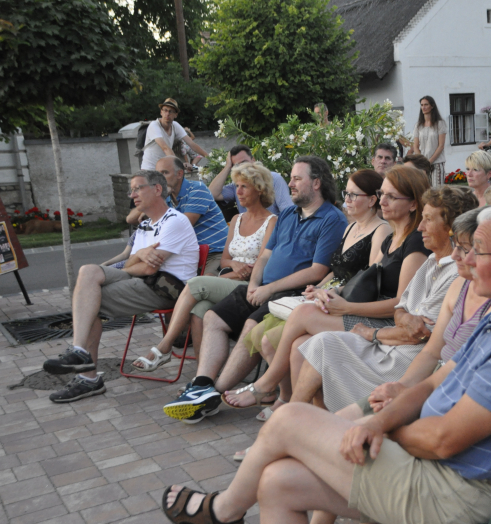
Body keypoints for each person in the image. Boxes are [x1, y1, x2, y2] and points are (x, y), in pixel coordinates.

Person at [160, 204, 491, 524]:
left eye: (477, 250)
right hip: (436, 469)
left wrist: (378, 428)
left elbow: (443, 440)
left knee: (288, 422)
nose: (462, 258)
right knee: (276, 482)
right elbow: (435, 383)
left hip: (455, 487)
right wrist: (379, 420)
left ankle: (224, 511)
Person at [294, 208, 491, 524]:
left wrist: (384, 425)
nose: (456, 255)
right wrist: (399, 389)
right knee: (324, 428)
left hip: (437, 403)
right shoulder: (462, 285)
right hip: (424, 376)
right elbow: (413, 321)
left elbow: (434, 354)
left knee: (327, 438)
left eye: (467, 248)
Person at [226, 183, 476, 416]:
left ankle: (288, 414)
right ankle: (300, 419)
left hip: (402, 353)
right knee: (310, 342)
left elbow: (416, 333)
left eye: (428, 219)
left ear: (453, 226)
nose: (421, 226)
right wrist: (329, 290)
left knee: (310, 332)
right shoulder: (429, 259)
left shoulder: (441, 263)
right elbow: (401, 308)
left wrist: (369, 330)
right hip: (390, 334)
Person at [162, 156, 347, 423]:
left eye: (297, 178)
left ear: (316, 183)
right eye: (291, 178)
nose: (290, 184)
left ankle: (213, 392)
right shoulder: (288, 215)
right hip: (262, 288)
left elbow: (317, 271)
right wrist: (253, 285)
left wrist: (268, 288)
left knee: (250, 325)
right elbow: (264, 256)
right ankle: (202, 384)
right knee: (213, 316)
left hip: (289, 294)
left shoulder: (331, 218)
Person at [225, 169, 401, 415]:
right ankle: (289, 402)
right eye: (346, 194)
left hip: (350, 303)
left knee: (291, 340)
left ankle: (278, 395)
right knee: (270, 337)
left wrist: (330, 292)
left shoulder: (381, 230)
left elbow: (368, 280)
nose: (347, 200)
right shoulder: (351, 228)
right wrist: (318, 288)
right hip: (330, 297)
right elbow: (337, 269)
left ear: (372, 200)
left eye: (353, 195)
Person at [44, 171, 199, 402]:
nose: (132, 195)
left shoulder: (175, 221)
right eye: (131, 190)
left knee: (89, 303)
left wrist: (139, 260)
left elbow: (149, 269)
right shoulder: (146, 225)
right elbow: (132, 263)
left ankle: (88, 377)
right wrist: (140, 254)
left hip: (165, 289)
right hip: (141, 281)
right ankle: (79, 351)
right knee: (88, 271)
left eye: (138, 188)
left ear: (158, 189)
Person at [130, 161, 278, 372]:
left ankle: (164, 347)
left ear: (259, 189)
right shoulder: (236, 219)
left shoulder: (272, 221)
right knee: (199, 310)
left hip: (250, 283)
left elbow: (264, 261)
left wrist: (240, 270)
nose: (238, 191)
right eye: (236, 186)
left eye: (244, 186)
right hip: (230, 277)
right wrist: (234, 264)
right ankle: (203, 375)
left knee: (196, 284)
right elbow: (225, 259)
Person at [155, 156, 228, 275]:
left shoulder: (197, 189)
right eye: (158, 174)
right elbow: (133, 219)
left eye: (164, 173)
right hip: (189, 254)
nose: (160, 179)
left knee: (203, 287)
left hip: (215, 251)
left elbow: (183, 226)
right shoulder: (167, 197)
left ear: (179, 174)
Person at [207, 145, 293, 216]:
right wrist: (227, 167)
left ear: (253, 160)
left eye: (244, 163)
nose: (242, 168)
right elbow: (212, 193)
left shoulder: (273, 179)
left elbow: (287, 211)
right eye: (237, 166)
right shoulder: (236, 185)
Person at [140, 98, 208, 171]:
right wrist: (180, 164)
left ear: (176, 115)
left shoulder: (175, 125)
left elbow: (192, 144)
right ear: (161, 112)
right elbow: (165, 148)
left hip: (163, 169)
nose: (167, 114)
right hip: (149, 169)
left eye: (171, 111)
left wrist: (212, 158)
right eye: (165, 110)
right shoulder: (154, 126)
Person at [411, 96, 447, 185]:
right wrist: (422, 161)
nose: (423, 107)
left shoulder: (440, 124)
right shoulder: (418, 125)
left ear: (432, 106)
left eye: (426, 104)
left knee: (437, 192)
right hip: (423, 165)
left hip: (436, 162)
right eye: (422, 105)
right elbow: (415, 146)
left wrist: (429, 162)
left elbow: (441, 146)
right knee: (425, 191)